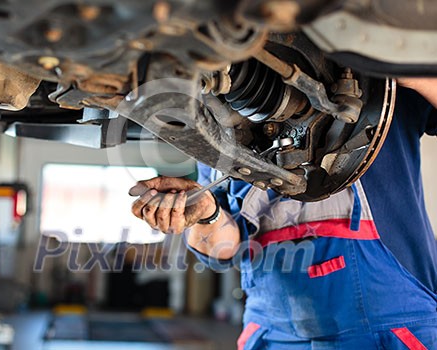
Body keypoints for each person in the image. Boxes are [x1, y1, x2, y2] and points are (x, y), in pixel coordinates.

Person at [128, 79, 437, 349]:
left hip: (389, 323)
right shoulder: (219, 128)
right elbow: (226, 246)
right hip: (274, 329)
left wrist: (412, 72)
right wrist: (206, 213)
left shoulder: (376, 89)